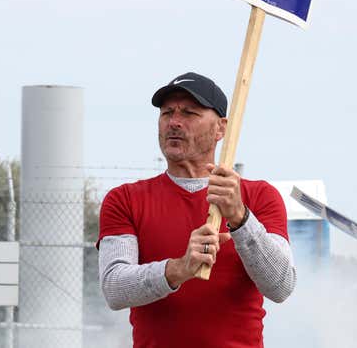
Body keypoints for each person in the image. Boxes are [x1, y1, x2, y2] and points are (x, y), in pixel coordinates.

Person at [97, 72, 296, 348]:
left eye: (189, 113)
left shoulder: (260, 196)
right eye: (167, 113)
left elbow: (281, 285)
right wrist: (179, 269)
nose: (174, 122)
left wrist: (240, 218)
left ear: (220, 128)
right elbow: (114, 288)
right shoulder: (125, 199)